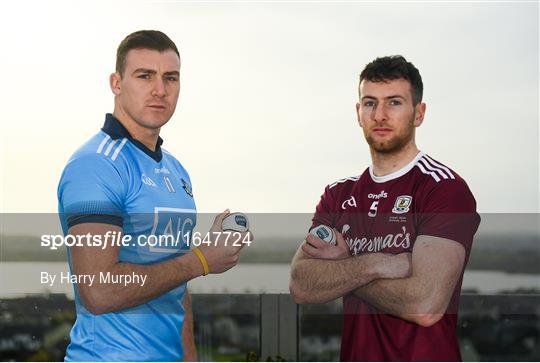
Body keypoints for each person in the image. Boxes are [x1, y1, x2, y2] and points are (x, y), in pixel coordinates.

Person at [57, 30, 248, 361]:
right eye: (144, 76)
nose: (160, 90)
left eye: (170, 78)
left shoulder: (176, 170)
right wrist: (202, 260)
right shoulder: (96, 164)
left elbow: (176, 286)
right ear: (116, 83)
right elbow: (99, 290)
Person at [289, 55, 480, 361]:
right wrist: (373, 264)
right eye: (369, 103)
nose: (379, 115)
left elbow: (425, 305)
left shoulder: (443, 189)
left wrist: (344, 268)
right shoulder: (339, 195)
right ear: (358, 112)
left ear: (419, 113)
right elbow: (301, 284)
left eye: (394, 102)